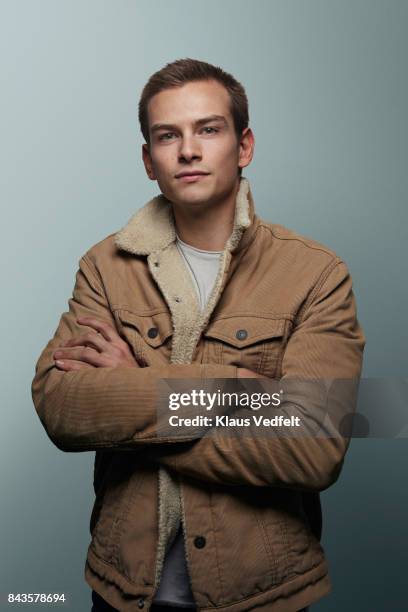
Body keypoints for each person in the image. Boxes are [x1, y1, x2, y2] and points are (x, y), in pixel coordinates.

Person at [31, 58, 365, 612]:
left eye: (208, 129)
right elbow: (61, 407)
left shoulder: (316, 274)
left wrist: (136, 388)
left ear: (244, 145)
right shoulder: (105, 266)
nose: (188, 150)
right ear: (148, 159)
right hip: (122, 592)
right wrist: (233, 390)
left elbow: (315, 446)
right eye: (168, 135)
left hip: (265, 596)